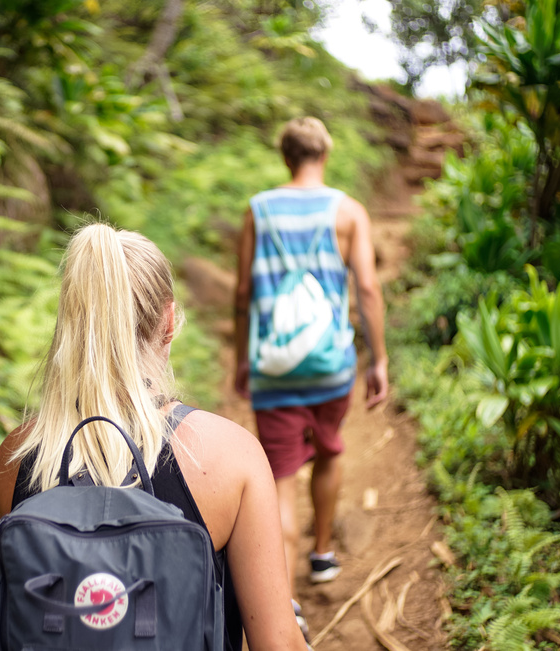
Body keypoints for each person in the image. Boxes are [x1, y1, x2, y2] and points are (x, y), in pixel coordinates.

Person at [0, 224, 308, 651]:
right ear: (168, 322)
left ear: (71, 322)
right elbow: (278, 644)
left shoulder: (17, 459)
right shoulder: (230, 457)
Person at [234, 117, 389, 618]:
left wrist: (243, 357)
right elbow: (367, 288)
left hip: (274, 366)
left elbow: (243, 294)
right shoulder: (349, 212)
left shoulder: (258, 210)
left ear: (286, 157)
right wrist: (379, 358)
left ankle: (285, 603)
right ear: (325, 154)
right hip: (330, 366)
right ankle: (322, 555)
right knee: (328, 451)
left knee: (278, 477)